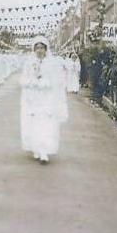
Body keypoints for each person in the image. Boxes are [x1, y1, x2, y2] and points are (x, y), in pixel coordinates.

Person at [20, 36, 68, 164]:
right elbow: (23, 80)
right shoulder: (29, 63)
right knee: (34, 124)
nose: (39, 50)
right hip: (33, 98)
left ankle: (44, 151)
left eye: (42, 48)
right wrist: (33, 82)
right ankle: (36, 148)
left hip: (47, 98)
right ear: (34, 49)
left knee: (47, 124)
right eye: (37, 48)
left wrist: (46, 82)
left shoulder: (52, 64)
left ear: (46, 49)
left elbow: (58, 81)